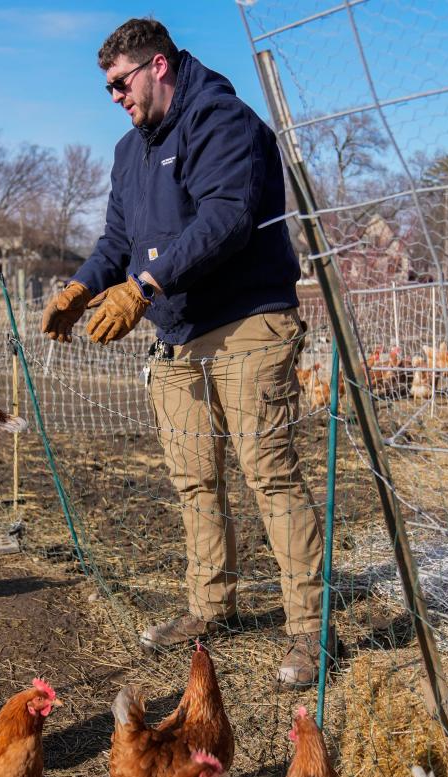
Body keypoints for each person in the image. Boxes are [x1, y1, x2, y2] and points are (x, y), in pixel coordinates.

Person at [41, 17, 328, 688]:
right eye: (106, 87)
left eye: (119, 83)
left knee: (269, 474)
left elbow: (226, 218)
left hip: (247, 321)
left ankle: (309, 629)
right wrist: (82, 285)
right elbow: (118, 235)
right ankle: (209, 607)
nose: (114, 96)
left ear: (158, 66)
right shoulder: (128, 152)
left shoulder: (221, 120)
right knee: (195, 478)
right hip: (177, 331)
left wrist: (143, 286)